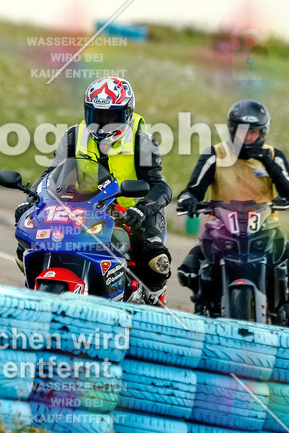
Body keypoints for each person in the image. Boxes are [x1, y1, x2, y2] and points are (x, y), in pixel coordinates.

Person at [14, 76, 173, 297]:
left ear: (127, 113)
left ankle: (153, 300)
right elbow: (51, 175)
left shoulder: (142, 141)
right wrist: (31, 202)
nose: (104, 122)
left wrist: (142, 209)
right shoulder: (73, 136)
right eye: (97, 115)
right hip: (87, 209)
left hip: (133, 212)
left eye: (112, 116)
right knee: (27, 245)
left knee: (156, 261)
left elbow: (160, 186)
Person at [174, 99, 289, 328]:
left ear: (262, 133)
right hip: (220, 227)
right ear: (231, 130)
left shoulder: (273, 156)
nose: (247, 138)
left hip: (264, 226)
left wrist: (269, 165)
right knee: (188, 271)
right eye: (242, 132)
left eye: (253, 132)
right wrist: (189, 201)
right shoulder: (215, 154)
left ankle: (284, 305)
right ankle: (201, 302)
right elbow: (193, 189)